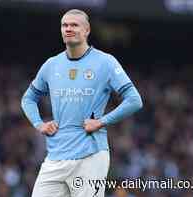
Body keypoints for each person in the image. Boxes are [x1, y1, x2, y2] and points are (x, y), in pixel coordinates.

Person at [21, 9, 143, 197]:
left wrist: (101, 121)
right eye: (64, 25)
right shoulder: (51, 65)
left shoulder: (106, 62)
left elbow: (134, 100)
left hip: (90, 156)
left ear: (87, 30)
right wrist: (39, 124)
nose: (68, 29)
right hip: (55, 156)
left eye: (74, 25)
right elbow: (28, 99)